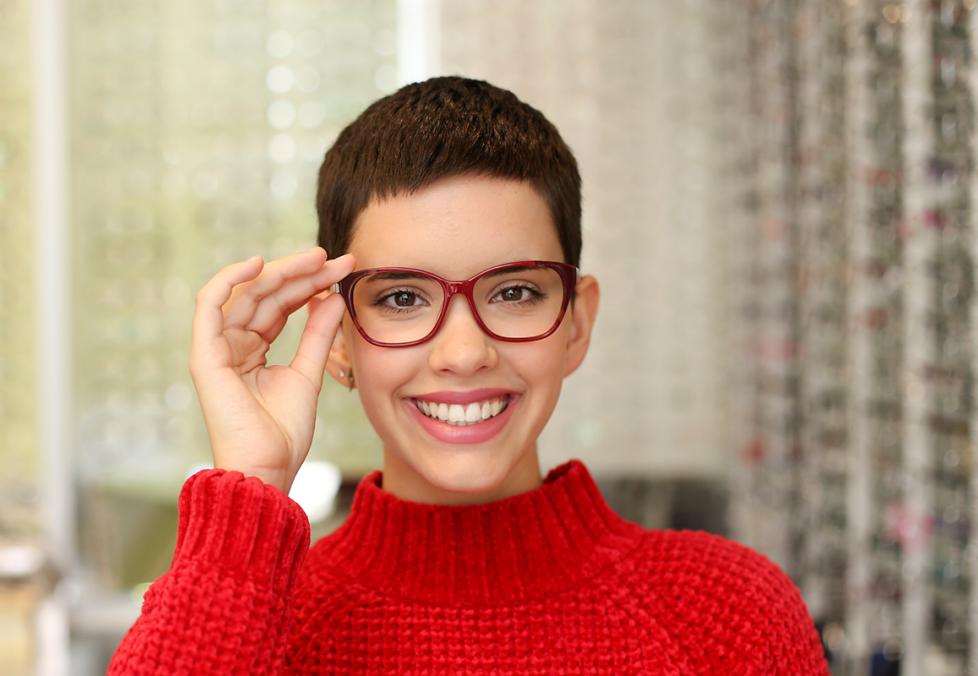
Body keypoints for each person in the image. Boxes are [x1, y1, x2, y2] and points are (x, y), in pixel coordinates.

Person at [108, 76, 828, 674]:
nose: (462, 353)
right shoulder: (258, 629)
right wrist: (249, 483)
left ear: (576, 324)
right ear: (335, 342)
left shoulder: (728, 616)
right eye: (400, 298)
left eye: (514, 292)